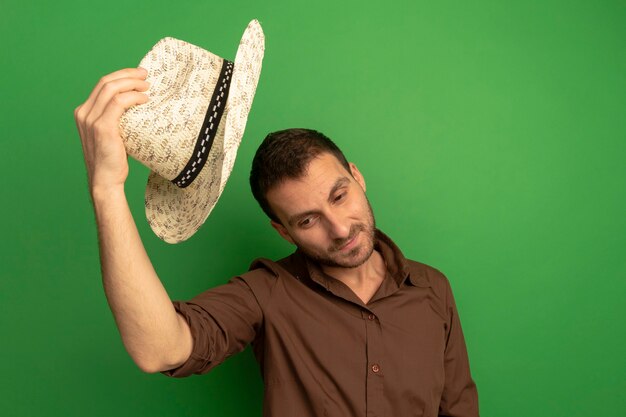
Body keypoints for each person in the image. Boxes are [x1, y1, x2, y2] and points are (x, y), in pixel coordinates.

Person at [74, 67, 480, 417]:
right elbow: (160, 349)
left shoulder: (432, 289)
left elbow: (458, 409)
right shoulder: (266, 292)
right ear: (283, 231)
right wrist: (106, 188)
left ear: (357, 177)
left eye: (339, 196)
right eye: (307, 220)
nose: (339, 228)